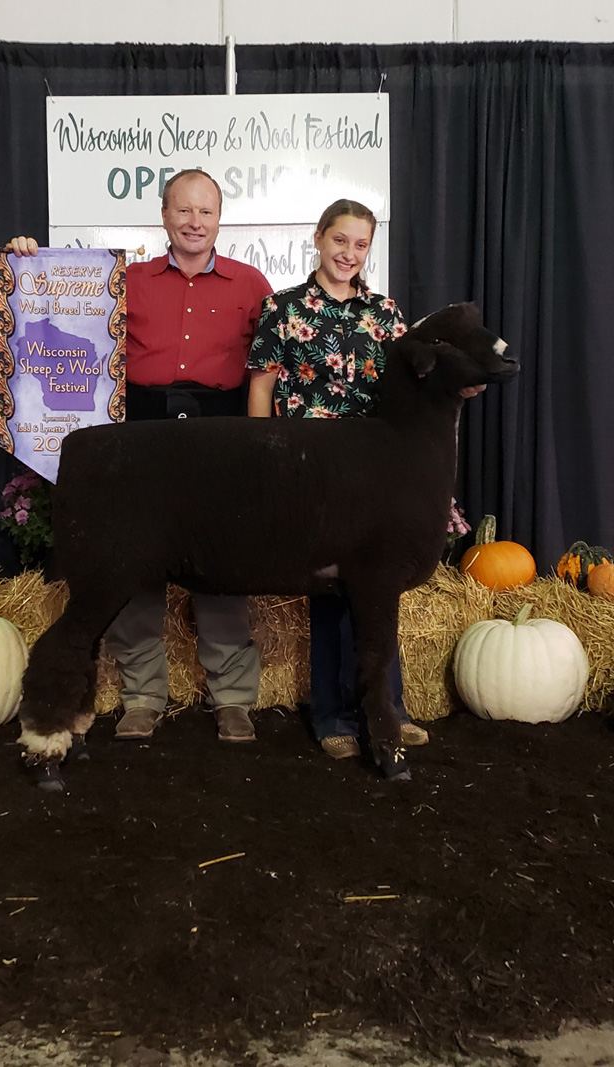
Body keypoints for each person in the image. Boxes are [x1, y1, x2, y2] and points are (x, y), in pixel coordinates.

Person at [9, 168, 272, 743]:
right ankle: (143, 695)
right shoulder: (125, 279)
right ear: (163, 215)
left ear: (220, 218)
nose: (194, 222)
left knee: (225, 563)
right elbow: (62, 313)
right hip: (142, 429)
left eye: (205, 211)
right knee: (134, 561)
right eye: (183, 210)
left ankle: (231, 699)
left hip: (221, 433)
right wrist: (28, 263)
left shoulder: (253, 285)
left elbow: (269, 370)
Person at [247, 198, 439, 761]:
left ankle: (390, 709)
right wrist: (263, 458)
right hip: (311, 473)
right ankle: (332, 715)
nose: (348, 254)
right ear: (318, 238)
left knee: (378, 597)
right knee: (331, 594)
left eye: (360, 245)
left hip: (378, 476)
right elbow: (261, 389)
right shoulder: (281, 309)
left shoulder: (386, 314)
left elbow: (412, 393)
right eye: (340, 241)